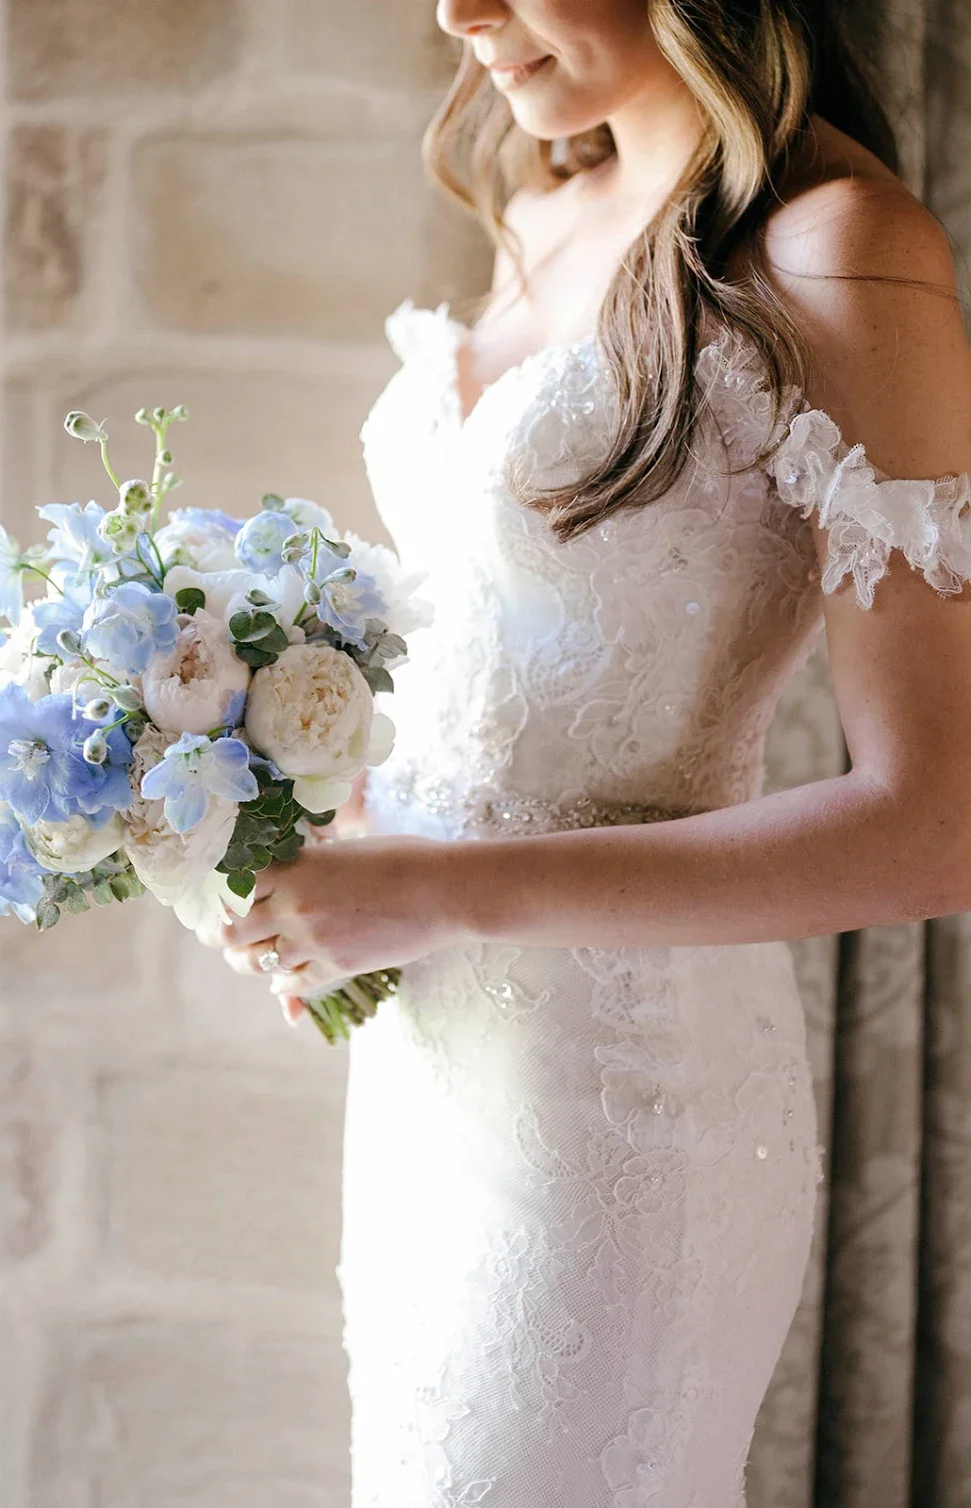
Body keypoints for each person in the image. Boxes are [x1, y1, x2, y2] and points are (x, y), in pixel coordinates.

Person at [200, 2, 971, 1503]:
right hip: (434, 1068)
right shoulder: (548, 208)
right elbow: (514, 657)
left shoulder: (840, 251)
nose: (457, 13)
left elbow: (938, 819)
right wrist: (335, 831)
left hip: (630, 1101)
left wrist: (450, 889)